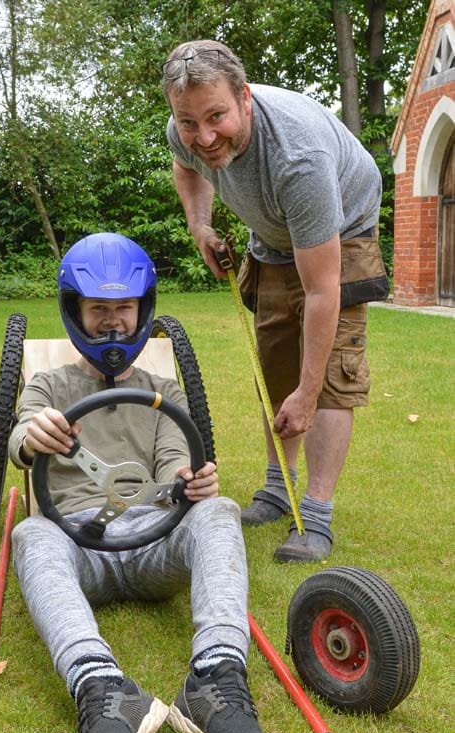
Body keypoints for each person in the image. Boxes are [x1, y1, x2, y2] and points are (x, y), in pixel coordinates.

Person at [8, 232, 278, 733]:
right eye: (98, 309)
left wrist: (190, 481)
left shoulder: (164, 390)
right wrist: (35, 434)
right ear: (75, 311)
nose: (112, 323)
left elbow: (178, 459)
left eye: (124, 308)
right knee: (30, 533)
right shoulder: (48, 385)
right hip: (79, 542)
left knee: (220, 509)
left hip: (154, 537)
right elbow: (20, 438)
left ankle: (216, 679)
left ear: (142, 310)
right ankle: (101, 688)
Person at [161, 40, 389, 563]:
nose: (204, 136)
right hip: (272, 237)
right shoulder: (184, 128)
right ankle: (275, 489)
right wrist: (200, 226)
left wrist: (307, 394)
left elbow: (322, 289)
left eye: (216, 117)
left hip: (342, 234)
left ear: (244, 98)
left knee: (326, 378)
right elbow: (186, 166)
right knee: (274, 367)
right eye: (189, 122)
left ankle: (317, 511)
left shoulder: (298, 157)